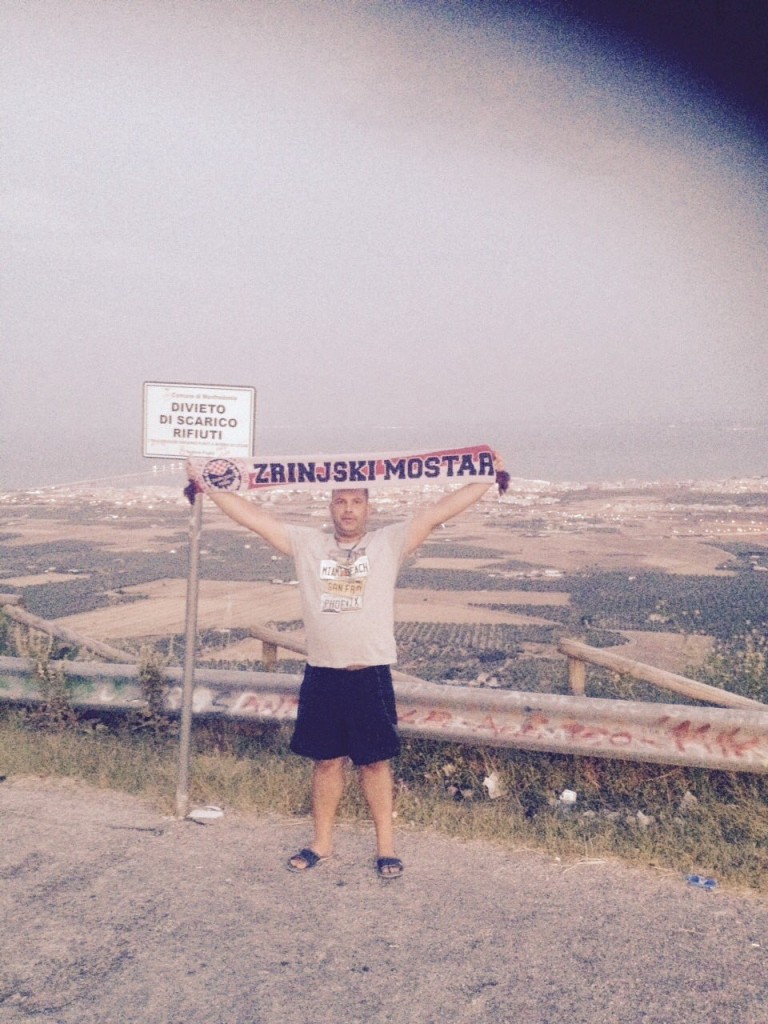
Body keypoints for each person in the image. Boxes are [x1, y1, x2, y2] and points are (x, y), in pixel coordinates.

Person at [187, 452, 504, 879]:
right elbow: (253, 518)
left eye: (356, 501)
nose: (348, 509)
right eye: (340, 501)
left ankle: (386, 847)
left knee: (374, 763)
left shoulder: (387, 543)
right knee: (326, 762)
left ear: (368, 508)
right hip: (322, 672)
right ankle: (321, 842)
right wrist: (208, 484)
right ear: (330, 507)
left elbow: (437, 512)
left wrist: (487, 474)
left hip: (368, 672)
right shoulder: (307, 544)